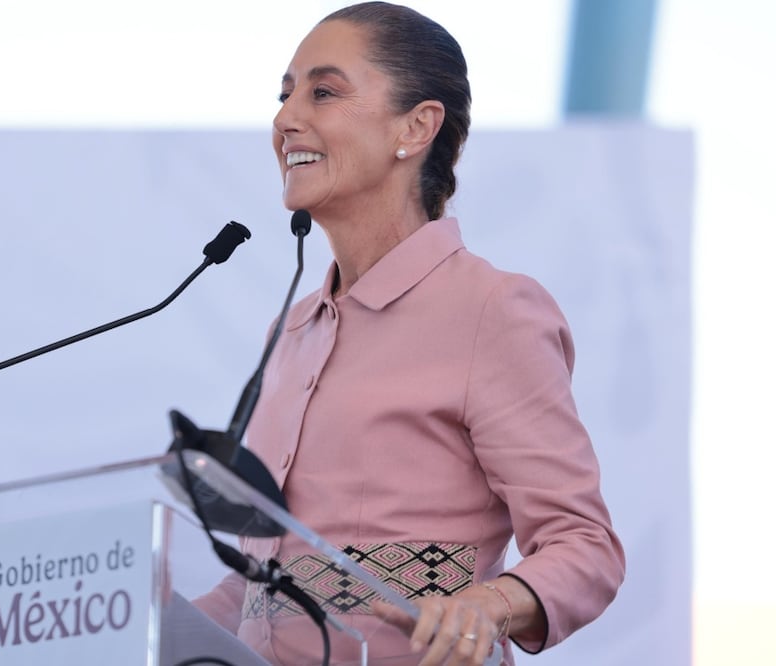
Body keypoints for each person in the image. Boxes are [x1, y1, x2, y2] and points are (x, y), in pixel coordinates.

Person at [193, 2, 626, 665]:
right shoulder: (291, 329)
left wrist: (488, 604)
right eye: (283, 95)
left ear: (417, 126)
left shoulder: (492, 310)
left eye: (324, 92)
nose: (284, 119)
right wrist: (139, 622)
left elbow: (585, 545)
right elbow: (273, 583)